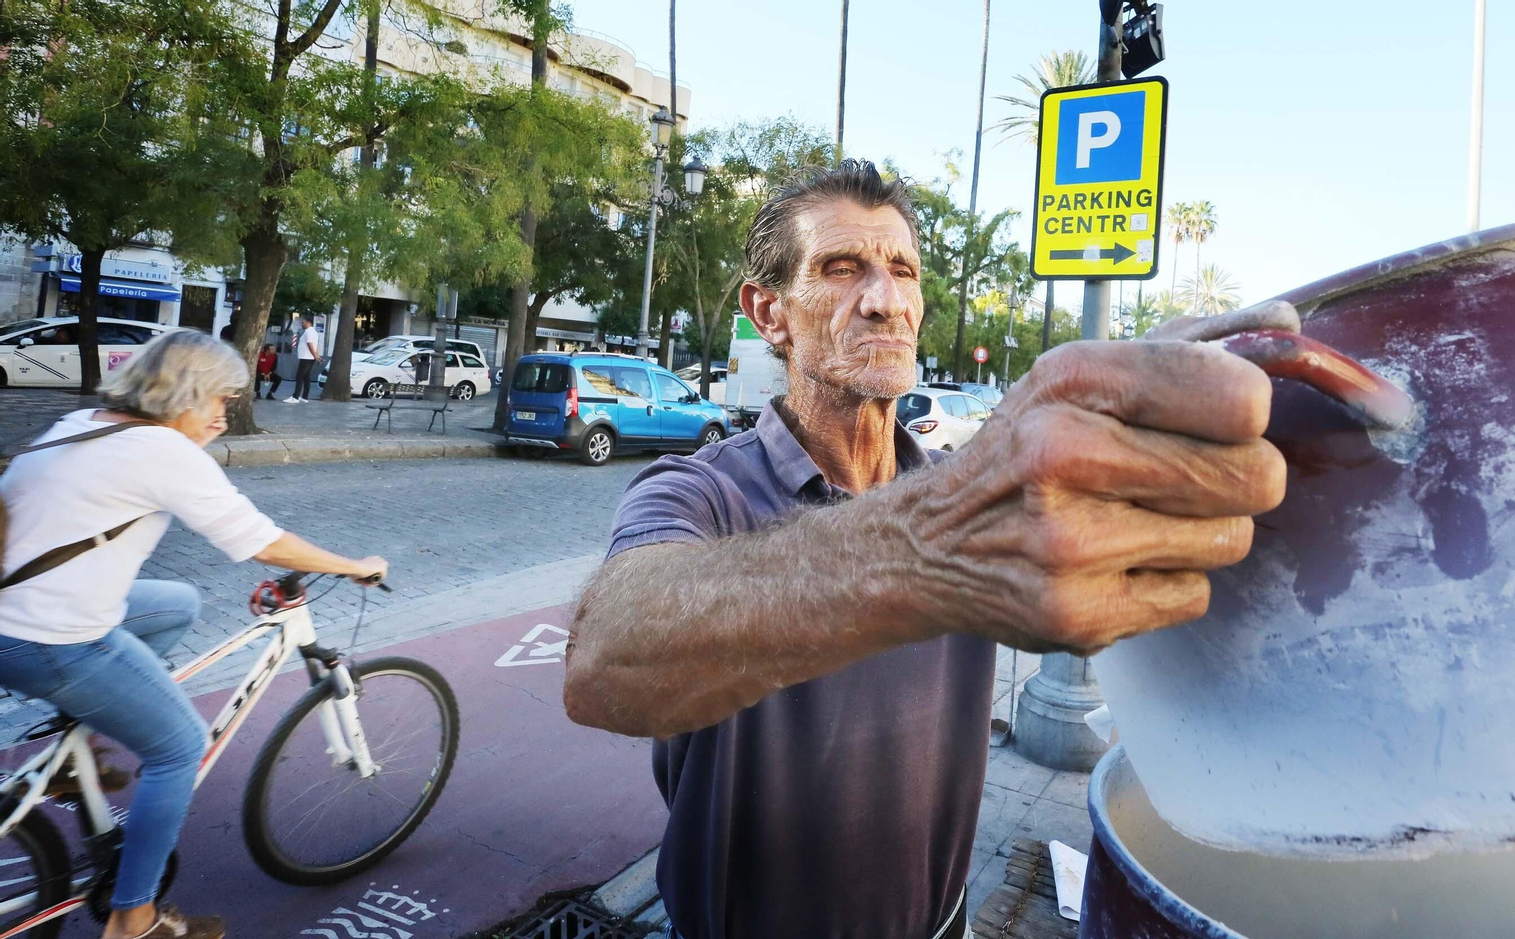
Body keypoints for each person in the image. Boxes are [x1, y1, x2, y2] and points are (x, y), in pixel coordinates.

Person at [563, 161, 1293, 939]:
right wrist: (925, 547)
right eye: (841, 270)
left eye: (901, 270)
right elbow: (605, 662)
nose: (882, 300)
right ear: (769, 312)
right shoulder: (698, 490)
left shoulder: (970, 493)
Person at [0, 329, 388, 939]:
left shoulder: (85, 422)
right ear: (187, 392)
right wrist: (353, 565)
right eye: (220, 401)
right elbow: (261, 543)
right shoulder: (162, 451)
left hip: (13, 615)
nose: (223, 417)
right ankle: (135, 919)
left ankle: (72, 746)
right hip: (52, 639)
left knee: (175, 602)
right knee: (179, 746)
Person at [285, 316, 319, 403]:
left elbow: (310, 344)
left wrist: (315, 355)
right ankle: (304, 397)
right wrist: (316, 355)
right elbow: (316, 345)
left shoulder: (309, 332)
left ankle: (295, 397)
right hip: (309, 357)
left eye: (303, 322)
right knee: (306, 377)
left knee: (299, 377)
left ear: (308, 322)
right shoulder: (314, 332)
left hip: (306, 357)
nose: (302, 324)